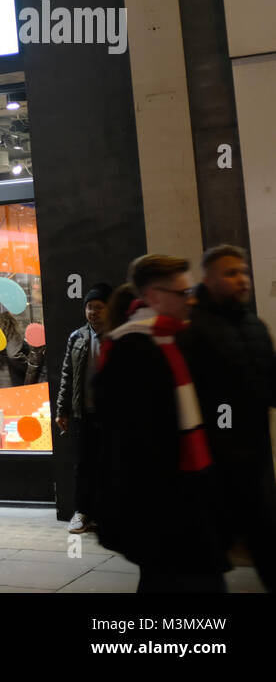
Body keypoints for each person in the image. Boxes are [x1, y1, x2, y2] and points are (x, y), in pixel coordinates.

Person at [95, 254, 229, 593]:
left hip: (189, 491)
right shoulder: (131, 347)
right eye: (182, 293)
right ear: (154, 295)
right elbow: (129, 441)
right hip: (162, 502)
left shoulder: (177, 338)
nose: (191, 299)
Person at [178, 245, 276, 591]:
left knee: (266, 545)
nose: (242, 280)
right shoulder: (191, 329)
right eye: (231, 273)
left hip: (256, 462)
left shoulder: (255, 326)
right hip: (214, 467)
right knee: (207, 560)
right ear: (209, 279)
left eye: (244, 272)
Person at [56, 283, 112, 534]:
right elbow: (67, 376)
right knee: (84, 465)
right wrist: (62, 410)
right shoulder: (77, 337)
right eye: (89, 307)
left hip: (112, 415)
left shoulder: (119, 336)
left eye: (99, 307)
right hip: (84, 413)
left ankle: (107, 514)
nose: (93, 312)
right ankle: (82, 512)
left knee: (110, 464)